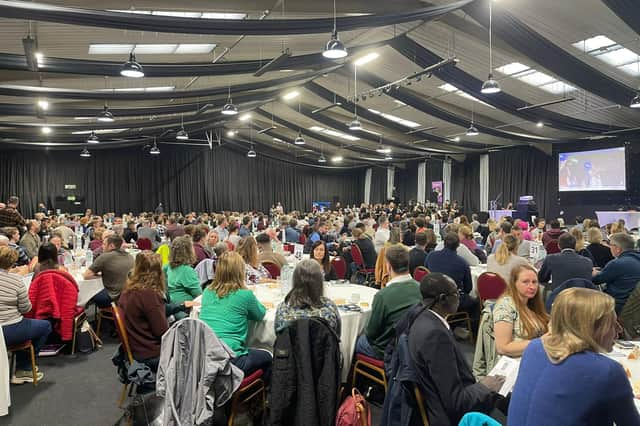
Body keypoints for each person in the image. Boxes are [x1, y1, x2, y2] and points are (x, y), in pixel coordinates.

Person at [508, 288, 639, 426]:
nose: (619, 330)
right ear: (591, 328)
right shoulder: (607, 371)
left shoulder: (534, 347)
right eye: (612, 323)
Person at [406, 273, 504, 425]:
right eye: (457, 293)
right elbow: (456, 402)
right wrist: (485, 386)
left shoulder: (421, 316)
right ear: (443, 298)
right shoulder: (435, 336)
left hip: (443, 399)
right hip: (450, 416)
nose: (459, 297)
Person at [199, 252, 271, 376]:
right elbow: (260, 314)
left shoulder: (207, 291)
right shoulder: (244, 295)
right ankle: (256, 392)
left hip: (204, 354)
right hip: (230, 359)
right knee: (268, 355)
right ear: (240, 271)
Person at [355, 245, 421, 359]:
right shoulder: (421, 288)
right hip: (414, 345)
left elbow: (371, 334)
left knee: (355, 340)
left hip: (386, 350)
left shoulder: (382, 296)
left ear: (388, 266)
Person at [0, 246, 51, 384]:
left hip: (6, 329)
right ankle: (24, 368)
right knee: (45, 326)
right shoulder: (16, 281)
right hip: (9, 329)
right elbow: (26, 308)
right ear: (12, 263)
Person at [118, 251, 169, 372]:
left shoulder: (129, 290)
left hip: (136, 346)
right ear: (158, 272)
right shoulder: (149, 295)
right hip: (149, 352)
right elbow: (162, 332)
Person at [493, 263, 549, 358]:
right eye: (525, 282)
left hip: (533, 356)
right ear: (514, 283)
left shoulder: (531, 303)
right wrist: (541, 342)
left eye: (534, 282)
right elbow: (502, 347)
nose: (532, 287)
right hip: (514, 363)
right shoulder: (505, 306)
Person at [274, 259, 341, 333]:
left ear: (295, 281)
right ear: (320, 282)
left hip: (289, 344)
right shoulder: (329, 307)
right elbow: (337, 336)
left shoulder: (283, 309)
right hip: (324, 344)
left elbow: (278, 336)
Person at [425, 233, 474, 314]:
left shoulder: (431, 256)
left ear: (444, 243)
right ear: (458, 245)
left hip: (432, 297)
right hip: (451, 300)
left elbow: (426, 273)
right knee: (475, 302)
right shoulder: (462, 263)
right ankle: (468, 324)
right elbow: (468, 288)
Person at [593, 232, 640, 314]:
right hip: (634, 307)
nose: (608, 247)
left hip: (618, 307)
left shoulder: (617, 263)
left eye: (610, 244)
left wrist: (594, 273)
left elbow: (596, 280)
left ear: (618, 248)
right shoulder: (635, 259)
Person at [84, 235, 134, 308]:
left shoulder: (105, 256)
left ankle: (91, 316)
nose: (102, 246)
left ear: (111, 246)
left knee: (90, 294)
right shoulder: (129, 256)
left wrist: (101, 275)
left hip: (113, 296)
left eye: (104, 244)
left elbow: (86, 276)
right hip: (128, 293)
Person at [163, 235, 202, 305]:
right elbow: (199, 295)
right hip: (185, 308)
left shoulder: (167, 267)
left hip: (171, 305)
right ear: (189, 251)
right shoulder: (187, 271)